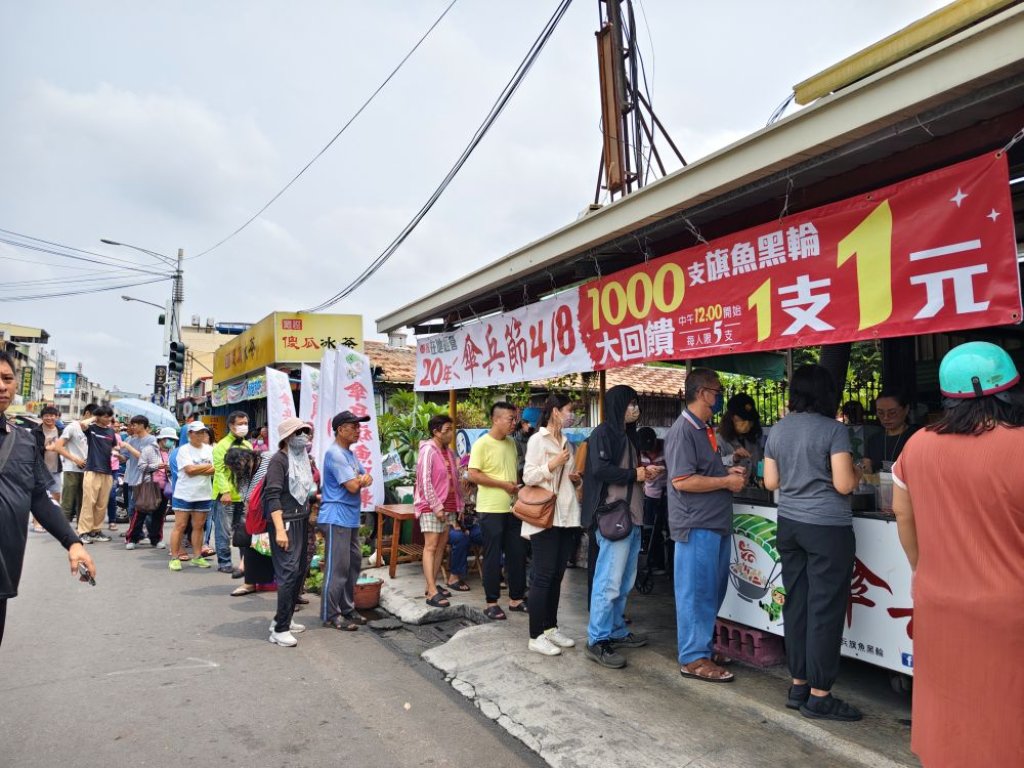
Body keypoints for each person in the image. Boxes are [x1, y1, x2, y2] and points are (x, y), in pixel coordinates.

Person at [892, 341, 1024, 766]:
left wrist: (923, 569)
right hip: (1009, 608)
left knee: (949, 714)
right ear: (1010, 392)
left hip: (939, 600)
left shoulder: (917, 445)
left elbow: (902, 514)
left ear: (947, 398)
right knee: (1007, 718)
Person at [762, 365, 862, 720]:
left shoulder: (778, 429)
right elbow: (844, 485)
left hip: (789, 525)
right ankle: (820, 695)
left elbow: (771, 482)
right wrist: (859, 471)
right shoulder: (834, 430)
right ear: (826, 393)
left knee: (798, 604)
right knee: (825, 608)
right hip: (826, 527)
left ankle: (799, 684)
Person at [0, 351, 96, 646]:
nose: (2, 386)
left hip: (4, 566)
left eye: (7, 378)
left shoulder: (24, 439)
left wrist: (73, 542)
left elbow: (39, 498)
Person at [665, 368, 745, 683]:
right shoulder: (683, 431)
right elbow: (682, 480)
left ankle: (703, 647)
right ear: (702, 393)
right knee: (696, 592)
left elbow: (703, 471)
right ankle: (693, 658)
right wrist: (726, 481)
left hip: (714, 523)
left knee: (711, 590)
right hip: (696, 525)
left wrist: (729, 471)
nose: (720, 395)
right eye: (717, 390)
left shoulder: (704, 429)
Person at [582, 385, 655, 669]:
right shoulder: (603, 433)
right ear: (616, 406)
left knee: (624, 582)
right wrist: (634, 473)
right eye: (630, 404)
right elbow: (600, 470)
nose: (635, 409)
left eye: (636, 404)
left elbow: (628, 473)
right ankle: (597, 639)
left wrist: (644, 474)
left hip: (632, 516)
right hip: (614, 517)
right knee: (608, 581)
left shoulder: (629, 436)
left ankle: (615, 630)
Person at [521, 394, 581, 656]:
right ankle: (535, 635)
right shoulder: (538, 440)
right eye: (568, 410)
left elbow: (568, 481)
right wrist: (551, 465)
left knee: (557, 575)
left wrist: (575, 479)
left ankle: (550, 628)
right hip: (545, 516)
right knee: (543, 576)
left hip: (566, 516)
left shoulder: (566, 441)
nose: (571, 415)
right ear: (555, 412)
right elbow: (528, 475)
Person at [468, 402, 526, 621]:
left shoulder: (512, 444)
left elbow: (513, 474)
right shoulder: (482, 444)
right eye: (510, 419)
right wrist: (504, 486)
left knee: (517, 553)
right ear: (496, 419)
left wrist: (517, 492)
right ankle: (491, 603)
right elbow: (473, 474)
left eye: (514, 419)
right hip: (490, 508)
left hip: (513, 507)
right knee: (493, 556)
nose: (514, 423)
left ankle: (516, 599)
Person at [264, 417, 317, 646]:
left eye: (306, 432)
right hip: (284, 521)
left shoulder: (302, 458)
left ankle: (283, 618)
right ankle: (279, 630)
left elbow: (305, 490)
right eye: (299, 433)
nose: (304, 437)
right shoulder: (279, 460)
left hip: (301, 519)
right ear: (287, 437)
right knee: (287, 573)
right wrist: (279, 530)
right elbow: (272, 496)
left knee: (298, 571)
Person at [319, 411, 373, 632]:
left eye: (359, 427)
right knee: (337, 568)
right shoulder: (335, 454)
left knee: (353, 564)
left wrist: (361, 479)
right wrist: (361, 480)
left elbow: (366, 477)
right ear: (341, 429)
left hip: (349, 518)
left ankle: (347, 608)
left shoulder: (349, 454)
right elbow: (353, 485)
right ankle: (330, 614)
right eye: (354, 427)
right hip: (336, 517)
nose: (358, 430)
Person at [414, 414, 463, 608]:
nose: (451, 434)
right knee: (431, 547)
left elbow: (455, 480)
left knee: (441, 548)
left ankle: (431, 586)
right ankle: (432, 591)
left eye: (452, 429)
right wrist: (436, 507)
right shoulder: (428, 450)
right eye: (447, 430)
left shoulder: (449, 452)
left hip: (448, 506)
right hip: (431, 506)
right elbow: (424, 481)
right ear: (435, 432)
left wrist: (458, 506)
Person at [223, 447, 276, 597]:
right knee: (251, 544)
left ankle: (286, 589)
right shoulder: (243, 473)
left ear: (246, 457)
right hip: (256, 512)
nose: (237, 470)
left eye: (238, 465)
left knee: (275, 547)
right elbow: (245, 495)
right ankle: (250, 583)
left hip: (275, 508)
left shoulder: (269, 459)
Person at [169, 421, 215, 571]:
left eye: (203, 432)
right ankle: (175, 558)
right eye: (197, 432)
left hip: (203, 494)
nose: (201, 435)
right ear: (190, 434)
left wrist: (198, 468)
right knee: (180, 526)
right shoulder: (183, 450)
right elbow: (189, 470)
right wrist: (205, 467)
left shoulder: (210, 449)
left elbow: (215, 469)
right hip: (184, 494)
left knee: (199, 526)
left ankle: (197, 557)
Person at [211, 411, 252, 574]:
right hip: (225, 497)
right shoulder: (222, 446)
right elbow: (219, 471)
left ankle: (245, 563)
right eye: (240, 423)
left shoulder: (248, 445)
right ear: (231, 426)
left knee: (243, 531)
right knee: (224, 531)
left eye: (246, 423)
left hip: (243, 496)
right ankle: (224, 562)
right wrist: (225, 492)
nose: (244, 427)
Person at [74, 405, 118, 544]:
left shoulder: (111, 432)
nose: (108, 419)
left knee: (101, 504)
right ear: (99, 416)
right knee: (89, 502)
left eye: (109, 416)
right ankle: (83, 532)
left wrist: (118, 454)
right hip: (92, 469)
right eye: (105, 416)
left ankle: (96, 531)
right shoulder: (92, 429)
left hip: (107, 471)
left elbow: (114, 447)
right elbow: (82, 424)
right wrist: (95, 417)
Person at [121, 415, 164, 549]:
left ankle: (154, 538)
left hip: (147, 480)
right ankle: (135, 536)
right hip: (132, 479)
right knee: (133, 510)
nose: (131, 427)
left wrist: (128, 446)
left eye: (134, 425)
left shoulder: (151, 440)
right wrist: (117, 455)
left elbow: (145, 459)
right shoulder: (130, 439)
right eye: (131, 425)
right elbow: (125, 458)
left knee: (150, 511)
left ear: (142, 425)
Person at [52, 402, 96, 525]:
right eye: (94, 417)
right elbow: (58, 446)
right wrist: (75, 459)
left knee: (83, 502)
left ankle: (81, 529)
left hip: (87, 470)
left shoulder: (92, 429)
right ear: (87, 413)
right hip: (72, 469)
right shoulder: (72, 427)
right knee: (68, 502)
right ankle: (62, 529)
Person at [445, 455, 482, 593]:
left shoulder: (478, 488)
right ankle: (454, 577)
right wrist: (459, 525)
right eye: (466, 468)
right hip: (451, 526)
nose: (468, 472)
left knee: (493, 533)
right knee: (461, 538)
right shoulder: (454, 487)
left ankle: (498, 574)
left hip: (472, 526)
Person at [636, 426, 668, 574]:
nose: (650, 452)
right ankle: (653, 562)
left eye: (651, 447)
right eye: (646, 450)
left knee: (666, 529)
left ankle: (665, 565)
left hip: (667, 495)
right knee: (650, 529)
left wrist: (663, 470)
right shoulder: (639, 452)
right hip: (650, 495)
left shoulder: (666, 447)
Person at [863, 390, 919, 473]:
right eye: (881, 413)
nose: (886, 417)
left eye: (892, 412)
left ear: (906, 409)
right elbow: (867, 470)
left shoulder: (917, 438)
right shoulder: (873, 440)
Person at [30, 405, 63, 532]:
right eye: (46, 416)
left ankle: (51, 522)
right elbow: (32, 449)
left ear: (56, 417)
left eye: (52, 415)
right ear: (42, 417)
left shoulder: (61, 431)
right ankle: (37, 522)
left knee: (56, 495)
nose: (49, 418)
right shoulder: (35, 431)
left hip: (55, 467)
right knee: (40, 496)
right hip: (40, 468)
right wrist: (45, 448)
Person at [716, 392, 763, 479]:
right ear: (732, 417)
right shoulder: (719, 439)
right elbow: (713, 465)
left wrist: (762, 476)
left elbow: (760, 464)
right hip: (730, 490)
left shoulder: (753, 439)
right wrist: (733, 458)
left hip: (753, 490)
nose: (747, 422)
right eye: (743, 418)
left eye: (750, 419)